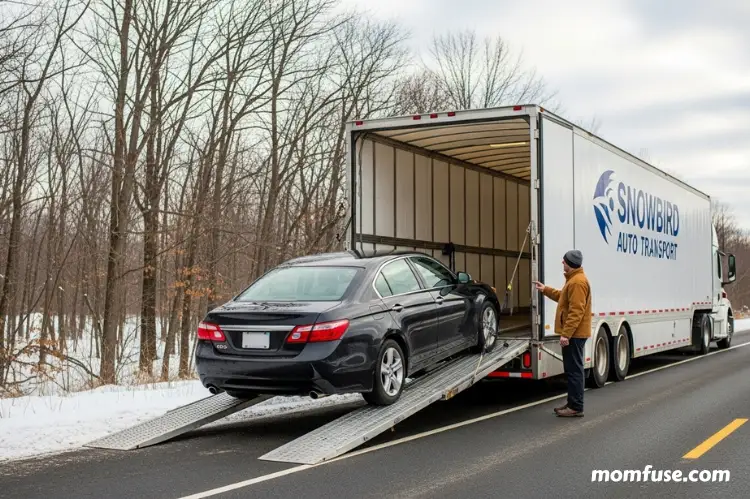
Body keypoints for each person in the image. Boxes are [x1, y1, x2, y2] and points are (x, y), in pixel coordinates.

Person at [533, 249, 591, 417]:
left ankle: (575, 407)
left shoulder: (577, 283)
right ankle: (573, 403)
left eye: (564, 261)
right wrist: (545, 289)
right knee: (573, 370)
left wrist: (566, 334)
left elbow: (576, 311)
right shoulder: (574, 280)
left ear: (571, 264)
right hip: (575, 334)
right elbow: (562, 297)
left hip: (575, 335)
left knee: (574, 371)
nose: (562, 263)